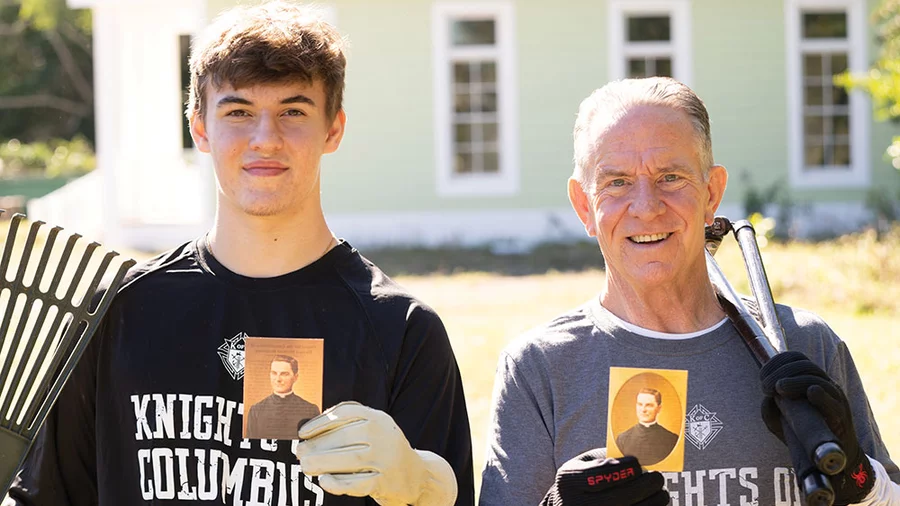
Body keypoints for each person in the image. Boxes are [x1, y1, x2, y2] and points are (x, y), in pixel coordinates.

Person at [6, 3, 473, 505]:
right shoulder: (117, 312)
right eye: (238, 112)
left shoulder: (401, 332)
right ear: (200, 128)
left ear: (333, 129)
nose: (265, 139)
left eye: (293, 111)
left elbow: (448, 496)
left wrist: (420, 484)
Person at [479, 77, 900, 506]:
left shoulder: (803, 345)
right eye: (617, 182)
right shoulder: (540, 369)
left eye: (670, 177)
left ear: (712, 192)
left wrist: (864, 485)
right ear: (584, 206)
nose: (646, 206)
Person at [246, 355, 320, 440]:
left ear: (295, 377)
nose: (278, 379)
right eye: (274, 373)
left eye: (284, 374)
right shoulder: (256, 410)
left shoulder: (311, 410)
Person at [615, 388, 678, 466]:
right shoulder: (622, 439)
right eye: (640, 404)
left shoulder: (672, 439)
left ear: (659, 408)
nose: (643, 409)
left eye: (649, 405)